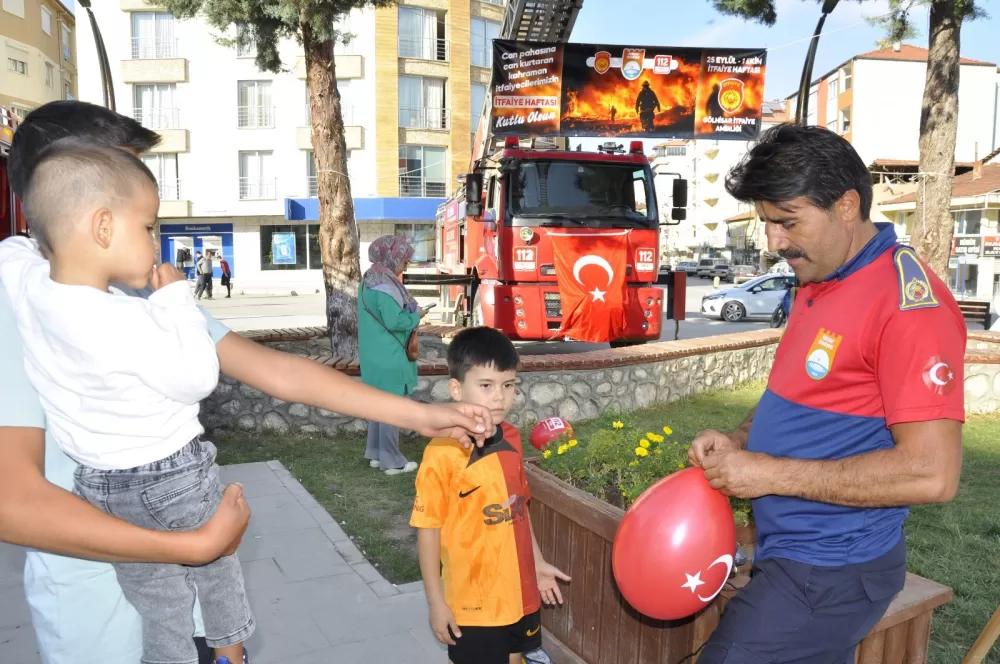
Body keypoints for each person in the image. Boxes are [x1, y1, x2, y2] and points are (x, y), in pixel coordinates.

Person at [1, 99, 494, 664]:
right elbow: (14, 503)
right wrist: (194, 544)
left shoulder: (138, 289)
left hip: (191, 599)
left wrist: (425, 415)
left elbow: (280, 372)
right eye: (121, 183)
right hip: (97, 614)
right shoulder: (16, 298)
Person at [687, 124, 965, 663]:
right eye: (767, 224)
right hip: (791, 555)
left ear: (846, 205)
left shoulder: (910, 305)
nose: (774, 243)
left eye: (787, 222)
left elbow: (933, 473)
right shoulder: (818, 281)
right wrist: (737, 439)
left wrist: (765, 473)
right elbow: (800, 394)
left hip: (833, 568)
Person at [0, 140, 256, 664]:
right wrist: (175, 298)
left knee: (156, 598)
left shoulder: (27, 290)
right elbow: (197, 377)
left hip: (99, 487)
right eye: (147, 227)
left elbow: (14, 251)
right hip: (170, 476)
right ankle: (231, 648)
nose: (155, 242)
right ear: (102, 228)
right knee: (218, 561)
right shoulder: (123, 319)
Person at [410, 327, 571, 664]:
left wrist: (538, 565)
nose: (499, 397)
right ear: (456, 389)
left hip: (520, 594)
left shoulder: (511, 437)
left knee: (516, 658)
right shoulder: (442, 452)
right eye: (486, 386)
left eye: (508, 385)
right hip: (473, 604)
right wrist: (435, 602)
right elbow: (428, 531)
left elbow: (518, 510)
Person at [358, 235, 425, 475]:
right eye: (404, 260)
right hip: (389, 355)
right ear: (391, 256)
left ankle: (376, 454)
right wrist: (418, 316)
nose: (405, 266)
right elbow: (395, 320)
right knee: (392, 409)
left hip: (372, 355)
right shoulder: (386, 286)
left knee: (378, 406)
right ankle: (392, 462)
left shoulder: (369, 279)